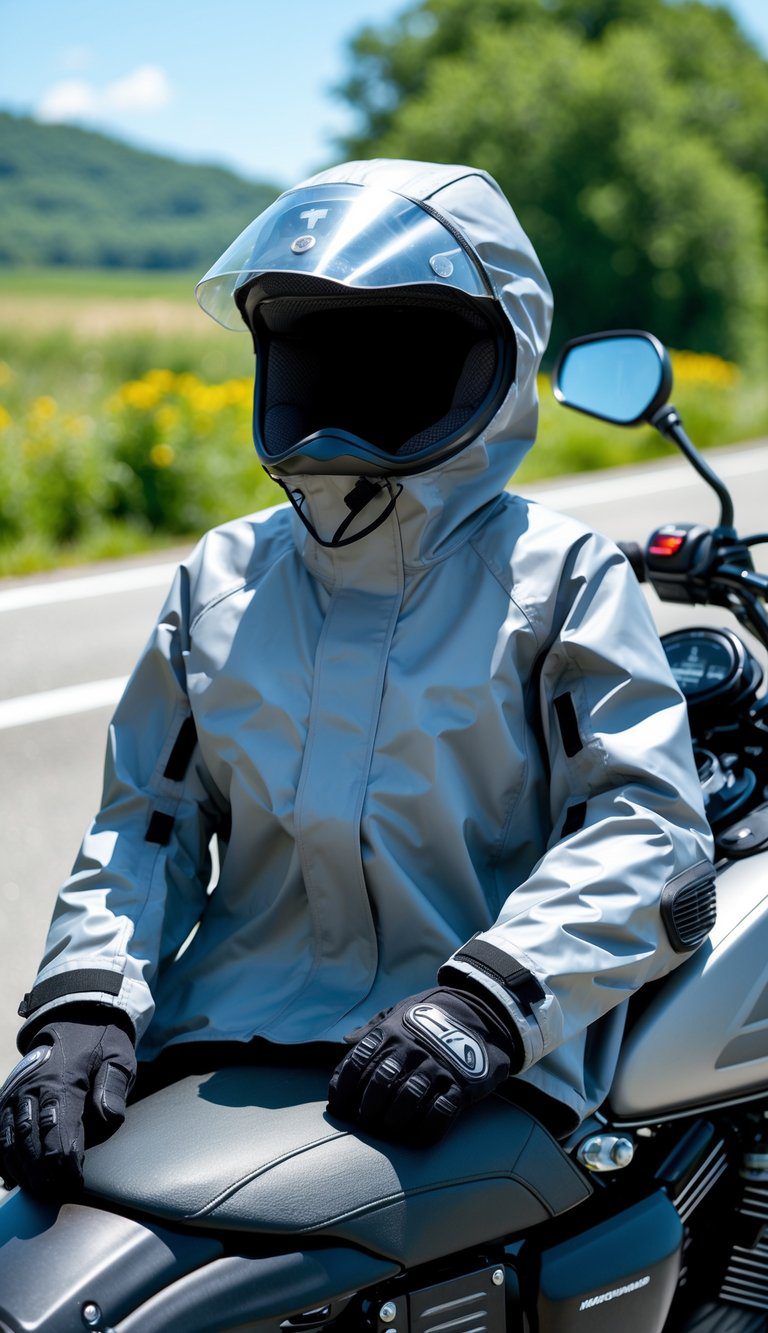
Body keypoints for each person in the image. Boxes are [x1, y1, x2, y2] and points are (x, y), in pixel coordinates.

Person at [0, 158, 714, 1199]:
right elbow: (147, 818)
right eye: (317, 345)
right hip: (222, 1039)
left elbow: (648, 829)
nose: (345, 381)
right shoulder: (223, 574)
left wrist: (484, 1004)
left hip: (479, 1062)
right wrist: (85, 1003)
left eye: (398, 345)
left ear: (491, 356)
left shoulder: (558, 576)